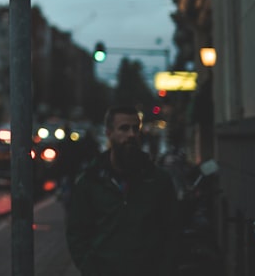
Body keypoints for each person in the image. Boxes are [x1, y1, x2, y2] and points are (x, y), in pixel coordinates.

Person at [65, 105, 178, 276]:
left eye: (135, 128)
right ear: (109, 133)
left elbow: (172, 232)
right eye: (124, 129)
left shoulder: (158, 181)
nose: (131, 135)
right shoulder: (90, 182)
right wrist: (89, 267)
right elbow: (76, 232)